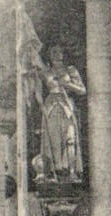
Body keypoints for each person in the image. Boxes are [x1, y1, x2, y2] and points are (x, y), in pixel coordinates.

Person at [37, 44, 86, 182]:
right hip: (51, 107)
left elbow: (82, 90)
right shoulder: (46, 72)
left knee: (70, 139)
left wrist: (68, 85)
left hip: (67, 106)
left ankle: (71, 171)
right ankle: (55, 172)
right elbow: (37, 90)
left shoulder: (71, 70)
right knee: (53, 141)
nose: (57, 54)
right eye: (53, 51)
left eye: (59, 51)